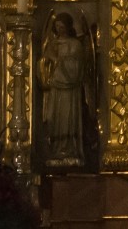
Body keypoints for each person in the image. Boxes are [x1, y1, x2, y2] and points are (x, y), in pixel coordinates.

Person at [39, 12, 92, 168]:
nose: (60, 29)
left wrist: (58, 60)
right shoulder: (52, 44)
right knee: (54, 118)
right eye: (57, 26)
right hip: (56, 86)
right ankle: (56, 149)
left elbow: (77, 68)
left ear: (68, 26)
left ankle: (70, 149)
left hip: (70, 89)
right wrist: (45, 62)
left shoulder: (75, 44)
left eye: (62, 26)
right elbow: (43, 66)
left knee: (68, 118)